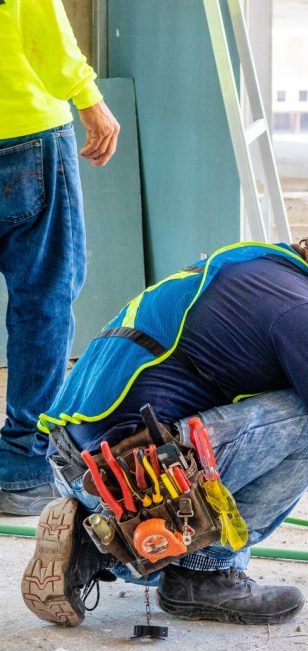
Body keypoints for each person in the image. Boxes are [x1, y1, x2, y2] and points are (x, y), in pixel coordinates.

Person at [22, 199, 308, 628]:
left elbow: (295, 451)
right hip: (129, 474)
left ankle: (91, 542)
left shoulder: (260, 266)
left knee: (307, 415)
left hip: (78, 466)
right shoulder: (306, 316)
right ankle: (204, 573)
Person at [0, 0, 120, 516]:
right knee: (43, 299)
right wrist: (88, 97)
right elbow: (39, 21)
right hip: (23, 133)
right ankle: (25, 465)